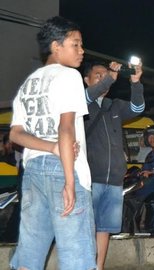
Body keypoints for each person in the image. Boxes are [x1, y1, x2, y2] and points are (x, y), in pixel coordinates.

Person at [9, 16, 96, 269]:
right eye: (76, 44)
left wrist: (50, 147)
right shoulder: (69, 77)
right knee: (76, 255)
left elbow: (15, 134)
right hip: (64, 169)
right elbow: (65, 127)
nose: (82, 51)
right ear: (56, 46)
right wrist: (69, 180)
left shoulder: (28, 84)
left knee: (30, 252)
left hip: (33, 171)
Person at [83, 60, 144, 269]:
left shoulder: (114, 105)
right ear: (86, 80)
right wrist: (110, 76)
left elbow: (138, 107)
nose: (103, 79)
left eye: (105, 76)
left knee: (104, 228)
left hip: (114, 181)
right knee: (86, 227)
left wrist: (135, 82)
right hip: (90, 180)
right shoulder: (81, 104)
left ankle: (98, 267)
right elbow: (88, 95)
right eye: (98, 75)